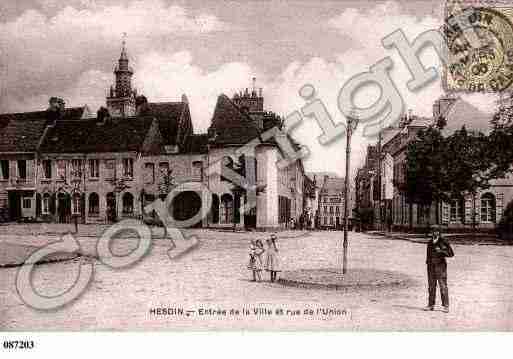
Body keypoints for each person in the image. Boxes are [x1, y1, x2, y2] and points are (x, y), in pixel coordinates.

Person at [424, 228, 454, 313]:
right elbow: (428, 255)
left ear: (439, 232)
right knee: (431, 287)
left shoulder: (443, 241)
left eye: (437, 231)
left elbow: (451, 253)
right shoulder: (430, 242)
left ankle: (446, 306)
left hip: (440, 267)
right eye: (433, 231)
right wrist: (428, 264)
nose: (435, 233)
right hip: (431, 267)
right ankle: (430, 305)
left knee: (443, 286)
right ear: (431, 232)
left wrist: (441, 251)